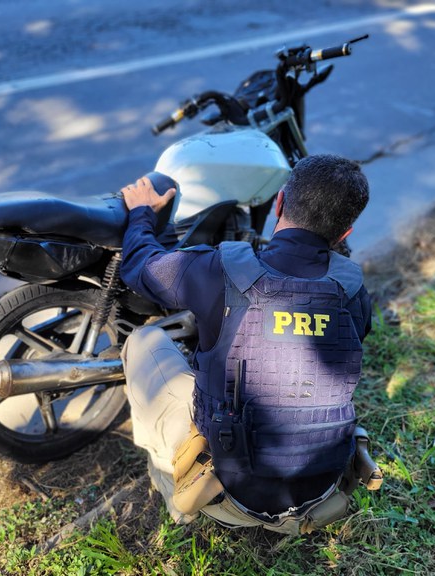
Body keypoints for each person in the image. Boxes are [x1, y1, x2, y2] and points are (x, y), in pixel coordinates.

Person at [119, 154, 378, 534]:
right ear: (346, 234)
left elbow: (141, 268)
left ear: (279, 203)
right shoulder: (353, 289)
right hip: (320, 492)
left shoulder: (221, 270)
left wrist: (141, 214)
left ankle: (170, 484)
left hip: (232, 497)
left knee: (143, 340)